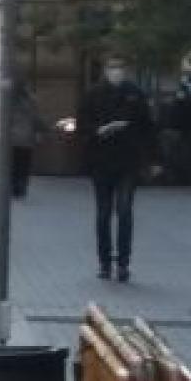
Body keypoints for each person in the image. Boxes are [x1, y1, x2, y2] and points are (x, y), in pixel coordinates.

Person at [77, 56, 153, 282]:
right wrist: (98, 131)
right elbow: (83, 125)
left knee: (124, 210)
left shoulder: (136, 94)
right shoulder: (93, 94)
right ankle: (105, 262)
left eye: (120, 67)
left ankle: (122, 263)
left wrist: (149, 158)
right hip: (101, 160)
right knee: (103, 213)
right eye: (112, 67)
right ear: (106, 70)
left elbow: (147, 127)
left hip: (128, 161)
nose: (116, 72)